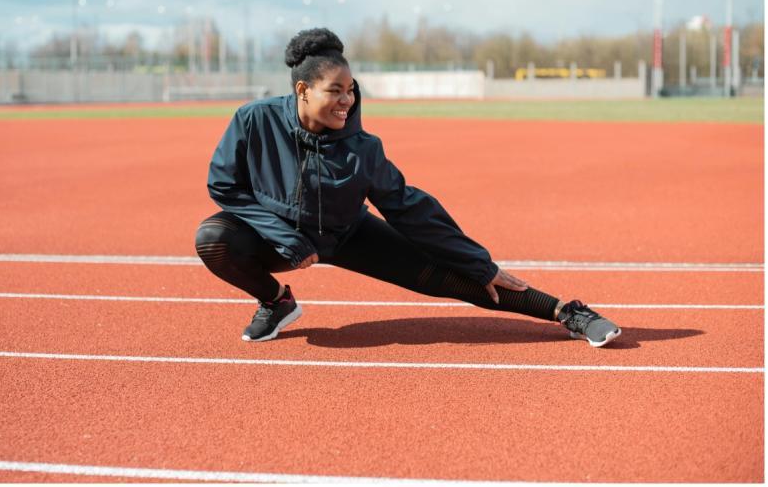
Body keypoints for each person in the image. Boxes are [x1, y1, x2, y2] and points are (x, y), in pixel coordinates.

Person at [195, 28, 621, 347]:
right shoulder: (254, 120)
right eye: (335, 91)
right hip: (281, 239)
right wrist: (281, 233)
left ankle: (567, 313)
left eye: (350, 91)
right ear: (303, 90)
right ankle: (276, 302)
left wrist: (479, 262)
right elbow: (225, 185)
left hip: (346, 234)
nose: (346, 101)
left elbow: (407, 207)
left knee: (453, 279)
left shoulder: (363, 148)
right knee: (213, 238)